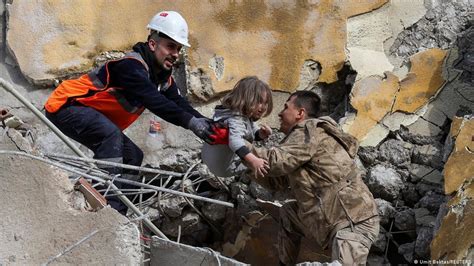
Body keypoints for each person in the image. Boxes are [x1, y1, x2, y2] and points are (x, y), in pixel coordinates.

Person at [44, 11, 223, 215]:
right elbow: (154, 100)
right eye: (171, 46)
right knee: (110, 136)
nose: (176, 54)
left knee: (133, 156)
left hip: (90, 114)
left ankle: (117, 213)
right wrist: (192, 123)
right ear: (153, 44)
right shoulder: (131, 66)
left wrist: (206, 124)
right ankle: (101, 207)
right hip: (66, 106)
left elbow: (179, 104)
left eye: (179, 48)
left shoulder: (162, 78)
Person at [249, 91, 379, 265]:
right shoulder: (299, 144)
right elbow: (277, 182)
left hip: (352, 220)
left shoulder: (309, 131)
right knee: (290, 212)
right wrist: (247, 162)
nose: (280, 113)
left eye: (286, 107)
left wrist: (239, 146)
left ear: (300, 113)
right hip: (331, 218)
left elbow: (275, 161)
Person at [201, 76, 273, 177]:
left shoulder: (237, 114)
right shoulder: (235, 119)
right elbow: (235, 141)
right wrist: (253, 161)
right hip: (226, 168)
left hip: (208, 160)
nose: (263, 107)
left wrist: (260, 134)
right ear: (245, 98)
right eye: (259, 101)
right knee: (268, 164)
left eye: (265, 103)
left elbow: (251, 129)